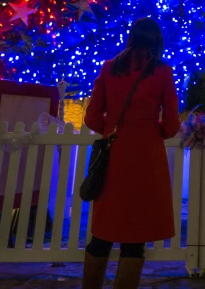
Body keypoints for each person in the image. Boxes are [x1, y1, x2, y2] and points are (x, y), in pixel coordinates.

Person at [82, 17, 180, 289]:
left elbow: (91, 118)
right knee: (135, 237)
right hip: (146, 160)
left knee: (103, 232)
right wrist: (150, 131)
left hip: (114, 157)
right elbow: (172, 126)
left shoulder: (109, 68)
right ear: (156, 41)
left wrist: (112, 129)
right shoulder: (162, 72)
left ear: (131, 38)